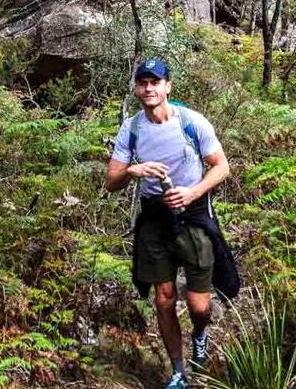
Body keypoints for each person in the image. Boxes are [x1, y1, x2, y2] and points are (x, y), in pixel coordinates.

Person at [104, 57, 234, 389]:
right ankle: (178, 371)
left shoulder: (191, 122)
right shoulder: (131, 128)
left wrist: (192, 193)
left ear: (167, 87)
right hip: (154, 220)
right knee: (163, 297)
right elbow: (111, 181)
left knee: (198, 305)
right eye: (143, 83)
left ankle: (200, 333)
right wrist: (134, 170)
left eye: (155, 82)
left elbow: (221, 167)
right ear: (136, 88)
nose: (149, 88)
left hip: (192, 217)